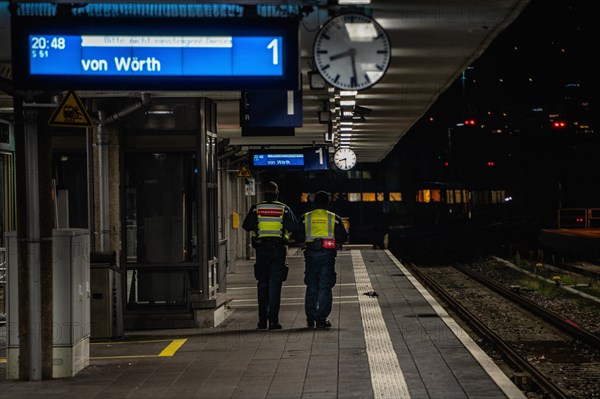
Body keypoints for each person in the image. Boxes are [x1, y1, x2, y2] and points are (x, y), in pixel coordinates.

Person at [242, 181, 299, 330]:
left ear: (264, 194)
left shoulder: (257, 208)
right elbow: (294, 226)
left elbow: (247, 226)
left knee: (262, 285)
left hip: (261, 251)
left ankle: (262, 321)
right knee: (275, 286)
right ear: (277, 194)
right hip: (278, 250)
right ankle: (273, 321)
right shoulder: (283, 209)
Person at [297, 191, 348, 329]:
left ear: (314, 203)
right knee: (325, 286)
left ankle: (310, 318)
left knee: (312, 285)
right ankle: (321, 319)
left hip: (311, 255)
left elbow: (297, 235)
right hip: (327, 255)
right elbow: (343, 236)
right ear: (327, 203)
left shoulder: (305, 217)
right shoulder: (334, 218)